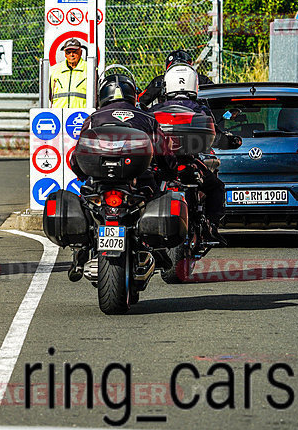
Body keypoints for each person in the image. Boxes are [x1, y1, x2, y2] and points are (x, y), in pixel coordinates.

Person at [68, 73, 177, 281]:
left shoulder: (93, 119)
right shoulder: (147, 119)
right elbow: (164, 153)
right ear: (132, 94)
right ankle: (157, 248)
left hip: (98, 184)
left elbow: (76, 156)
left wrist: (82, 173)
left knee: (87, 207)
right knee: (157, 200)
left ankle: (81, 252)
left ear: (103, 94)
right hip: (139, 182)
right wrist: (170, 170)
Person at [148, 64, 229, 245]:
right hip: (188, 161)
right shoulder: (201, 109)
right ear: (194, 85)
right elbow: (214, 135)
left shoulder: (154, 110)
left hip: (160, 164)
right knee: (216, 187)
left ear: (168, 84)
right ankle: (211, 228)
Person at [139, 49, 213, 110]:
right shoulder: (202, 79)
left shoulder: (160, 80)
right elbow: (215, 96)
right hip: (195, 115)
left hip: (166, 118)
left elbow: (141, 100)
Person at [49, 38, 88, 108]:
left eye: (75, 52)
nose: (71, 54)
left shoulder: (89, 68)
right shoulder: (56, 70)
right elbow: (50, 94)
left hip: (81, 113)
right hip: (59, 113)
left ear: (81, 52)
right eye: (68, 52)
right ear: (65, 54)